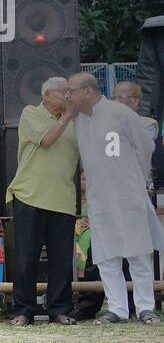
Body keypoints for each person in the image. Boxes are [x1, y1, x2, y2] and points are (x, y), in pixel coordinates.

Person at [67, 72, 164, 324]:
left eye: (72, 91)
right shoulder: (77, 119)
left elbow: (146, 147)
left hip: (128, 194)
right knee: (106, 255)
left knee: (139, 253)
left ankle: (145, 307)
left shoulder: (121, 113)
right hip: (98, 198)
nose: (69, 96)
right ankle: (117, 308)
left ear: (87, 92)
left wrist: (136, 179)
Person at [6, 77, 80, 326]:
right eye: (63, 92)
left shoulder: (74, 122)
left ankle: (59, 309)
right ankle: (23, 311)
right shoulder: (31, 113)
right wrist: (67, 116)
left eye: (70, 93)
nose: (68, 97)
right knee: (26, 257)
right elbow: (47, 140)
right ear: (47, 95)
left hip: (63, 198)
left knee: (61, 259)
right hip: (30, 195)